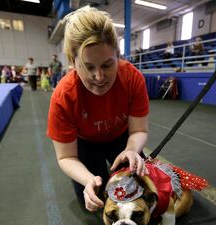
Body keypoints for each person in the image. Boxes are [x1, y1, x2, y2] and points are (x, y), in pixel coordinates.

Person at [46, 6, 149, 213]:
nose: (99, 77)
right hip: (85, 144)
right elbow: (66, 157)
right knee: (97, 199)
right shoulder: (63, 96)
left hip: (122, 139)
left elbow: (138, 130)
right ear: (72, 62)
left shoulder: (132, 78)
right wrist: (87, 180)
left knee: (143, 190)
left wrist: (131, 150)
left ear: (118, 56)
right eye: (88, 67)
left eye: (107, 65)